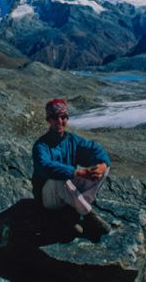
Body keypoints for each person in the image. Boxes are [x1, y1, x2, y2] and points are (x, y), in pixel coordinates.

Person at [31, 98, 112, 240]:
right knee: (59, 178)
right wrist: (76, 172)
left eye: (63, 117)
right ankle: (88, 214)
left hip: (68, 191)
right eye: (55, 117)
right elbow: (45, 166)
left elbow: (94, 149)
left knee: (103, 169)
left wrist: (103, 164)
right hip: (49, 198)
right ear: (49, 120)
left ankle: (75, 210)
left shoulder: (72, 140)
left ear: (67, 119)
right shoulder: (41, 145)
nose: (59, 121)